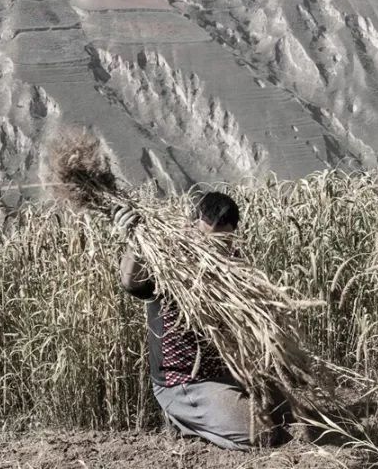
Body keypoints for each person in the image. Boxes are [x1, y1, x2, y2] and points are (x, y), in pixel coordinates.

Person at [115, 191, 292, 450]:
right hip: (185, 382)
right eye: (206, 240)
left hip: (227, 374)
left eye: (222, 243)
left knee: (292, 412)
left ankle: (218, 413)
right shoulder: (169, 260)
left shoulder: (233, 266)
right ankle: (184, 421)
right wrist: (134, 242)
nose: (213, 250)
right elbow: (132, 282)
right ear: (192, 225)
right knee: (262, 435)